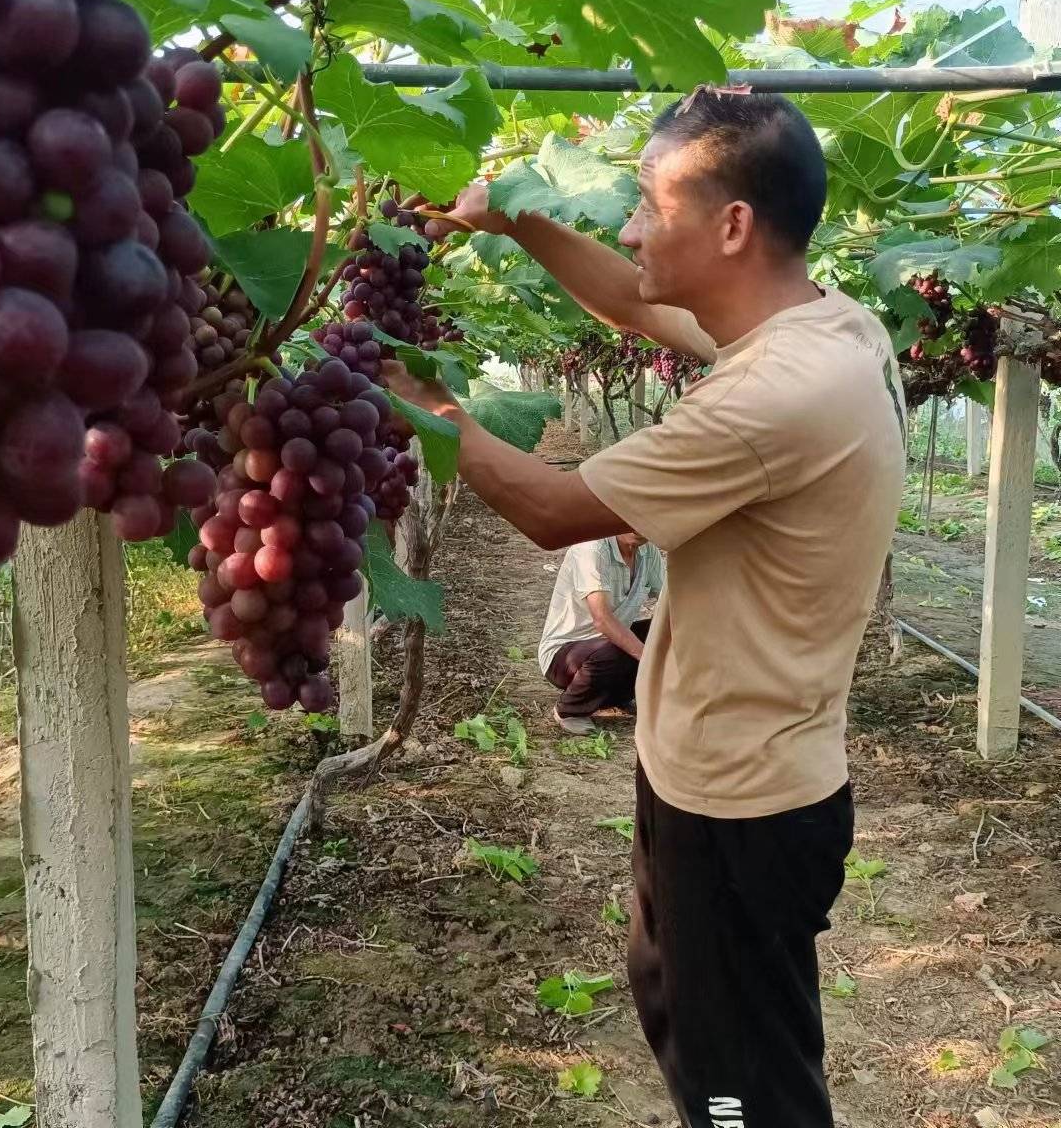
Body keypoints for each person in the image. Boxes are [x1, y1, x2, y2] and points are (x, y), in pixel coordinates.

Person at [384, 90, 907, 1128]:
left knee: (742, 1091)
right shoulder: (824, 326)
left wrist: (415, 398)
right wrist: (506, 213)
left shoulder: (771, 399)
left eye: (644, 202)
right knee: (692, 1025)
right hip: (726, 768)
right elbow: (630, 299)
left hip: (738, 799)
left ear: (729, 226)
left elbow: (548, 508)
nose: (627, 226)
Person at [539, 531, 661, 735]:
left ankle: (618, 696)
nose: (637, 527)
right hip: (565, 654)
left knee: (665, 630)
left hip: (610, 649)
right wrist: (648, 657)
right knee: (621, 648)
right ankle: (569, 710)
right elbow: (602, 620)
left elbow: (671, 600)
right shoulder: (591, 550)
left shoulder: (649, 552)